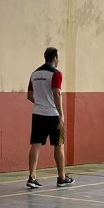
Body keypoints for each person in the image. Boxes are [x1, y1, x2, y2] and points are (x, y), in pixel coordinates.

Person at [26, 46, 72, 189]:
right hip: (54, 115)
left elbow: (29, 95)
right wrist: (61, 115)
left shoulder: (34, 74)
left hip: (38, 114)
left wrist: (41, 103)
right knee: (59, 145)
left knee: (36, 145)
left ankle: (32, 177)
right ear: (55, 58)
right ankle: (62, 178)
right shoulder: (56, 74)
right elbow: (57, 93)